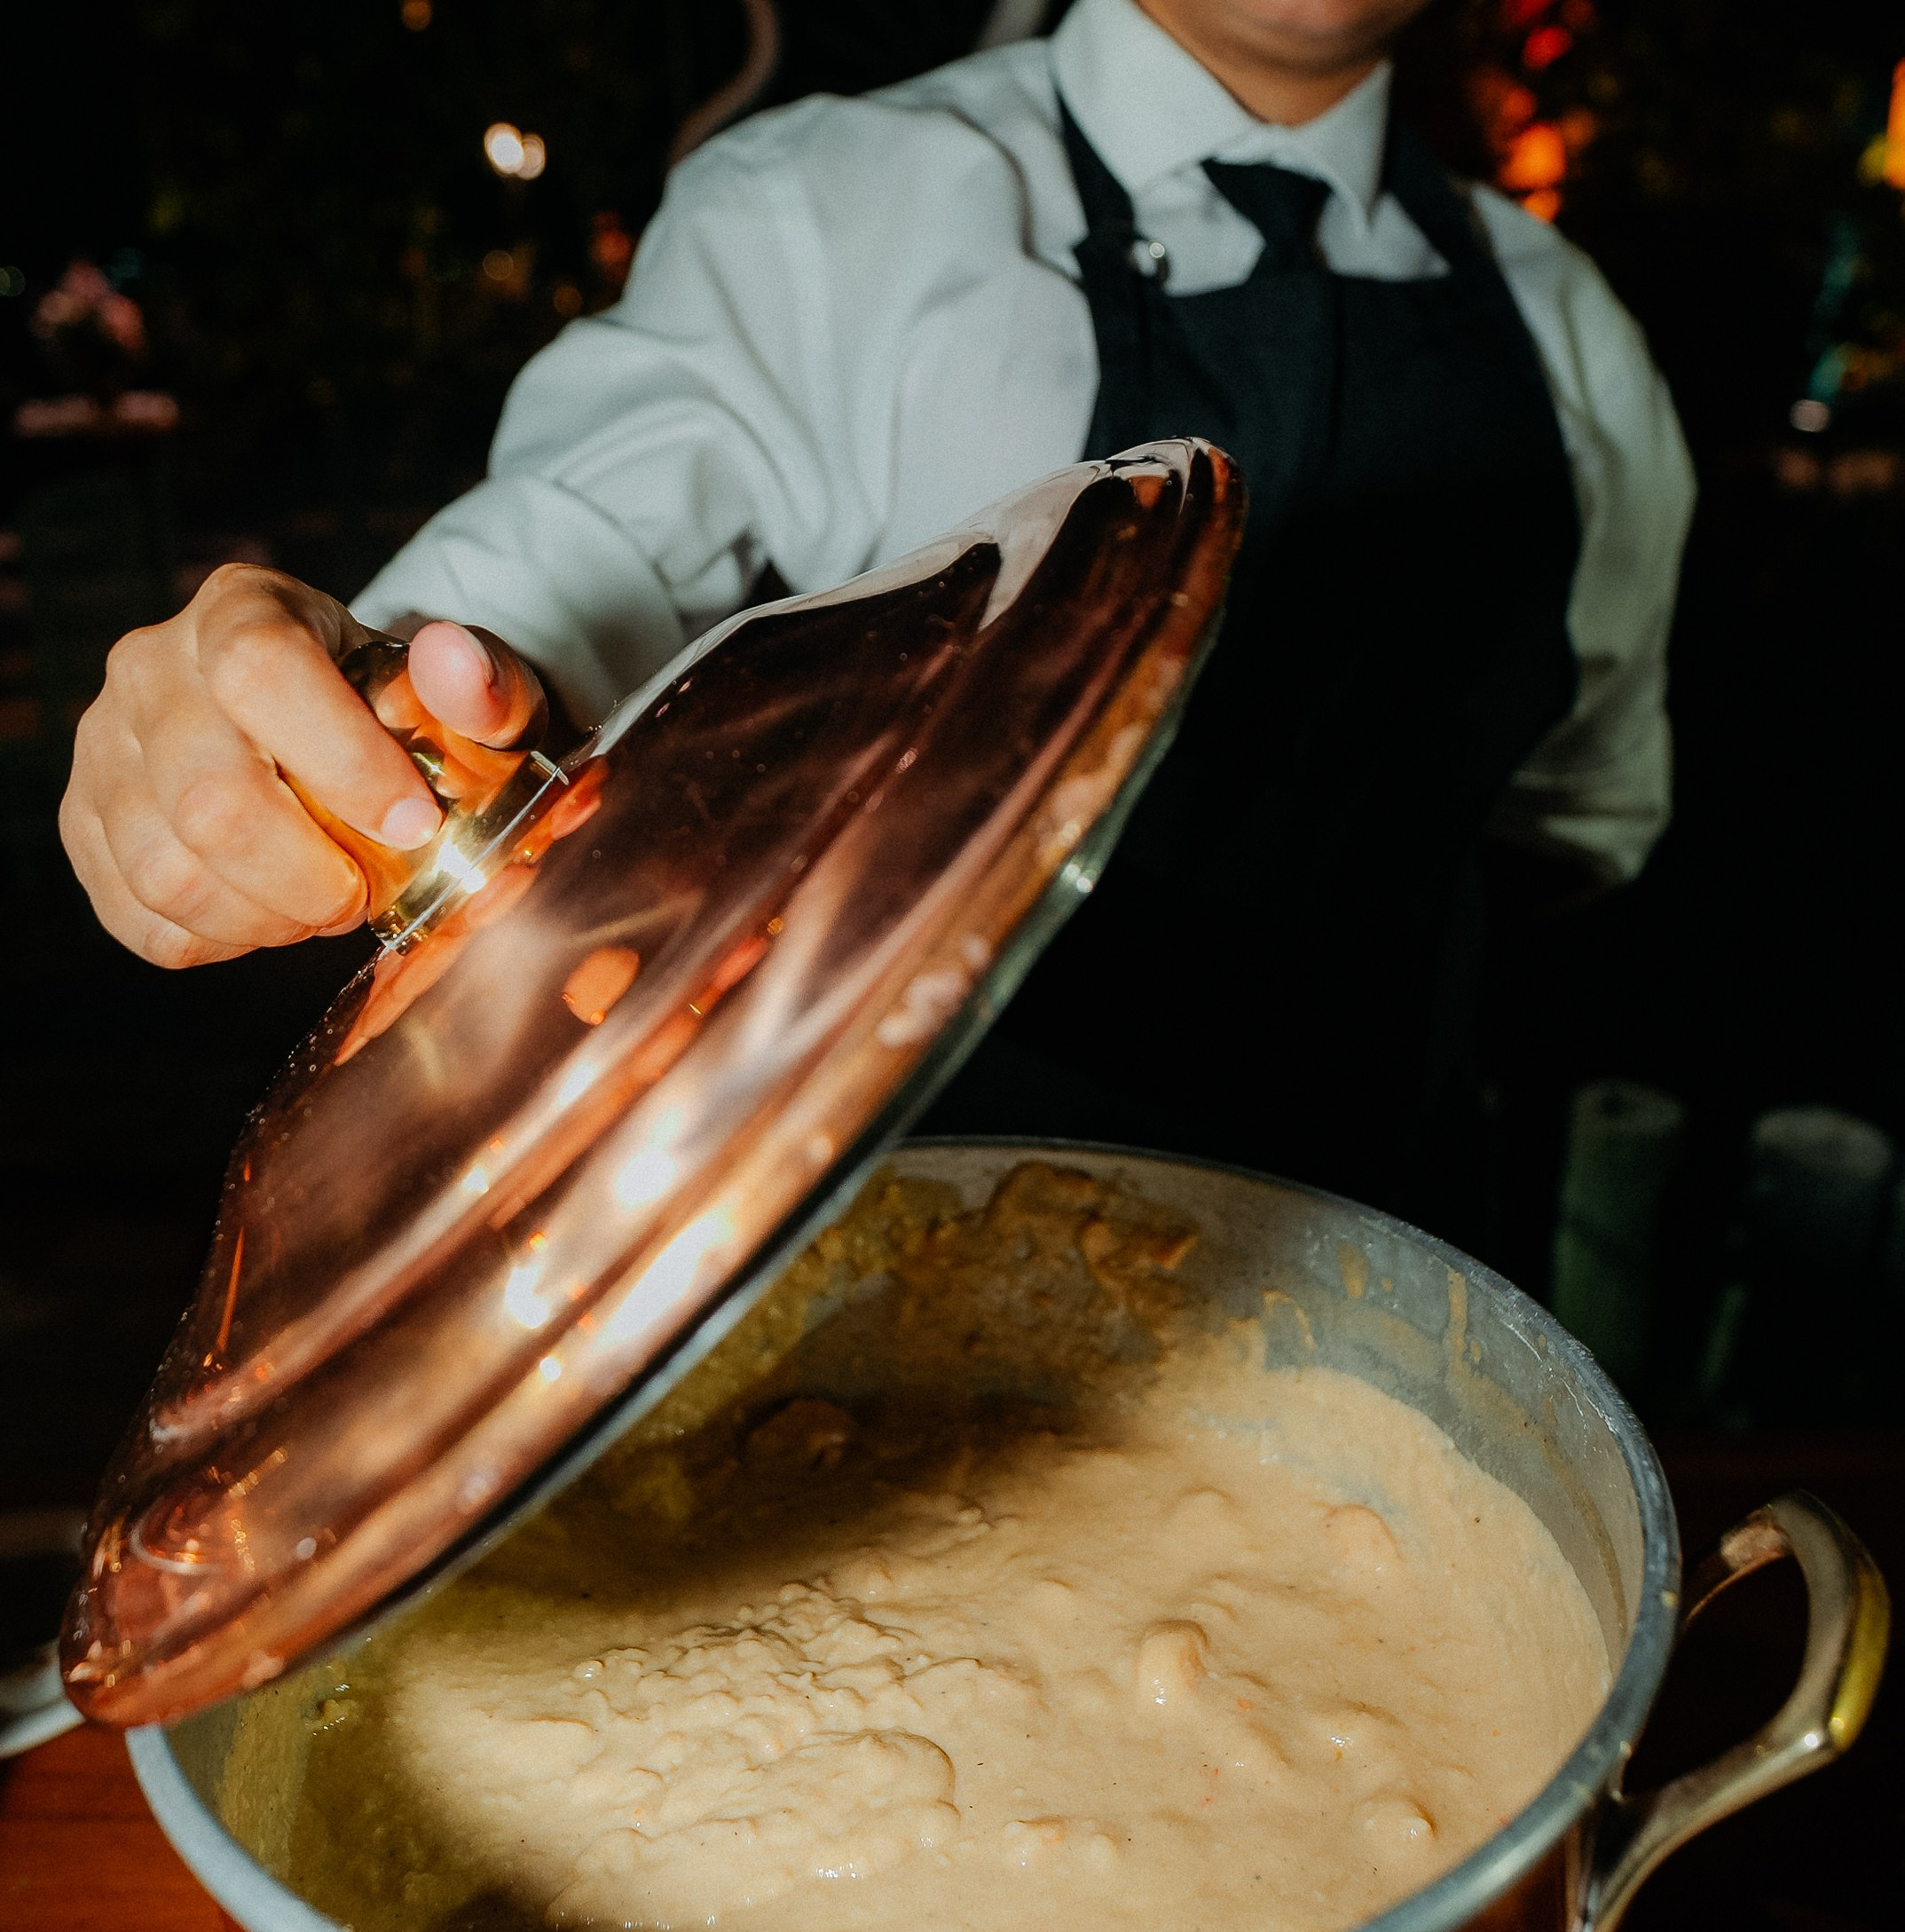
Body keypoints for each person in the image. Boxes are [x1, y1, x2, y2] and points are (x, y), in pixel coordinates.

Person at [59, 0, 1693, 1242]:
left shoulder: (1579, 341)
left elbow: (1578, 822)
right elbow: (562, 567)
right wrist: (336, 706)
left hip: (1384, 1262)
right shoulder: (836, 211)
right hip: (871, 1264)